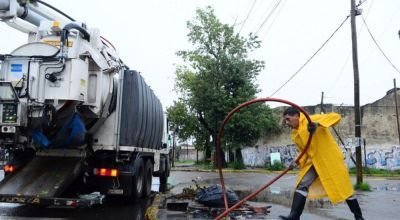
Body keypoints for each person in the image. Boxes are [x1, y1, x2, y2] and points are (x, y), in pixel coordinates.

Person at [280, 107, 364, 220]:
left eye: (288, 119)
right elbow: (303, 152)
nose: (286, 123)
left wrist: (317, 124)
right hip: (314, 163)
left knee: (344, 189)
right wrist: (296, 162)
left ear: (297, 116)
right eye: (286, 120)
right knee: (302, 185)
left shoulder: (312, 119)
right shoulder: (295, 134)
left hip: (330, 160)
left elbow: (336, 117)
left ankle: (358, 217)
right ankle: (294, 217)